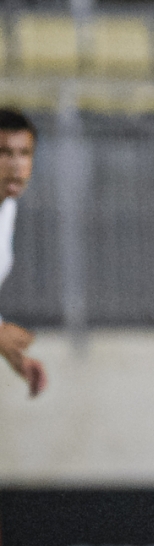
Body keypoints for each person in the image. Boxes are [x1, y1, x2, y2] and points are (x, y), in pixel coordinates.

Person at [0, 109, 46, 398]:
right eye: (4, 152)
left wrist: (14, 356)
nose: (16, 165)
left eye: (24, 153)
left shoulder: (8, 207)